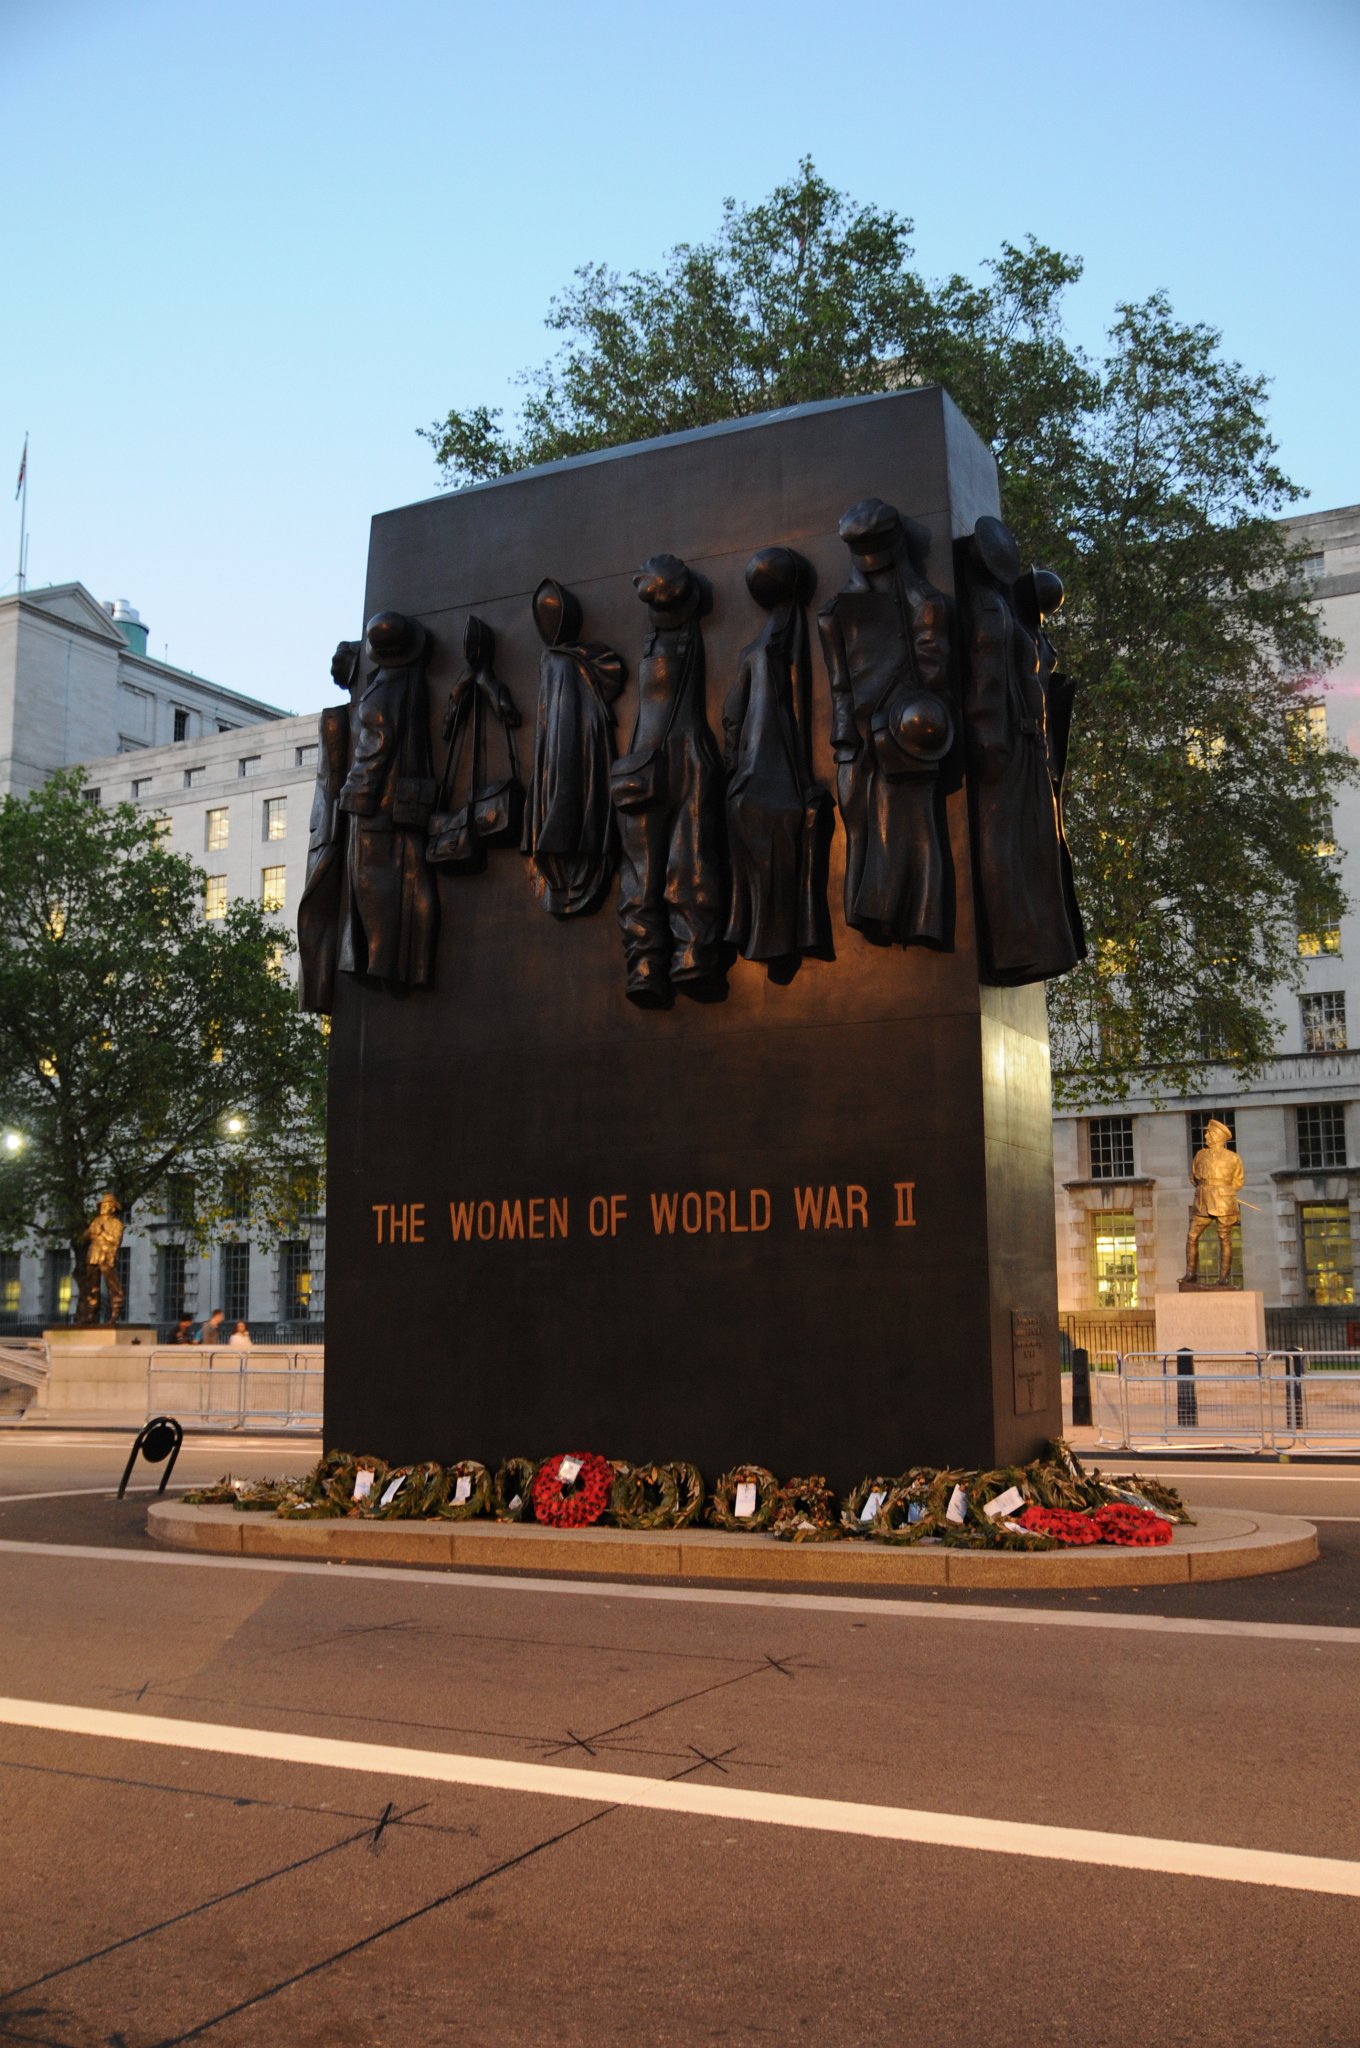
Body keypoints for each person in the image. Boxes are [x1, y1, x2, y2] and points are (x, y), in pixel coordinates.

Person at [1183, 1118, 1244, 1284]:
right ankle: (1190, 1274)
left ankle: (1224, 1277)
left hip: (1224, 1202)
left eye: (1209, 1132)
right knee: (1192, 1236)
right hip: (1203, 1201)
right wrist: (1207, 1187)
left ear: (1218, 1136)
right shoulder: (1200, 1155)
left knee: (1224, 1237)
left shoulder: (1232, 1157)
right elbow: (1193, 1177)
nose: (1206, 1135)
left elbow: (1238, 1181)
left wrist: (1222, 1190)